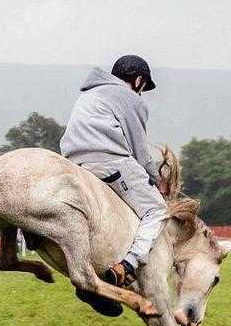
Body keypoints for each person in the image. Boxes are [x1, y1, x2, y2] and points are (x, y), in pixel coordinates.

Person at [60, 55, 169, 292]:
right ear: (139, 80)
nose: (142, 92)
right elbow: (139, 151)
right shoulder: (131, 99)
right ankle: (129, 265)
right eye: (143, 87)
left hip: (73, 164)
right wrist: (157, 180)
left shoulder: (88, 94)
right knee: (157, 210)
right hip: (109, 162)